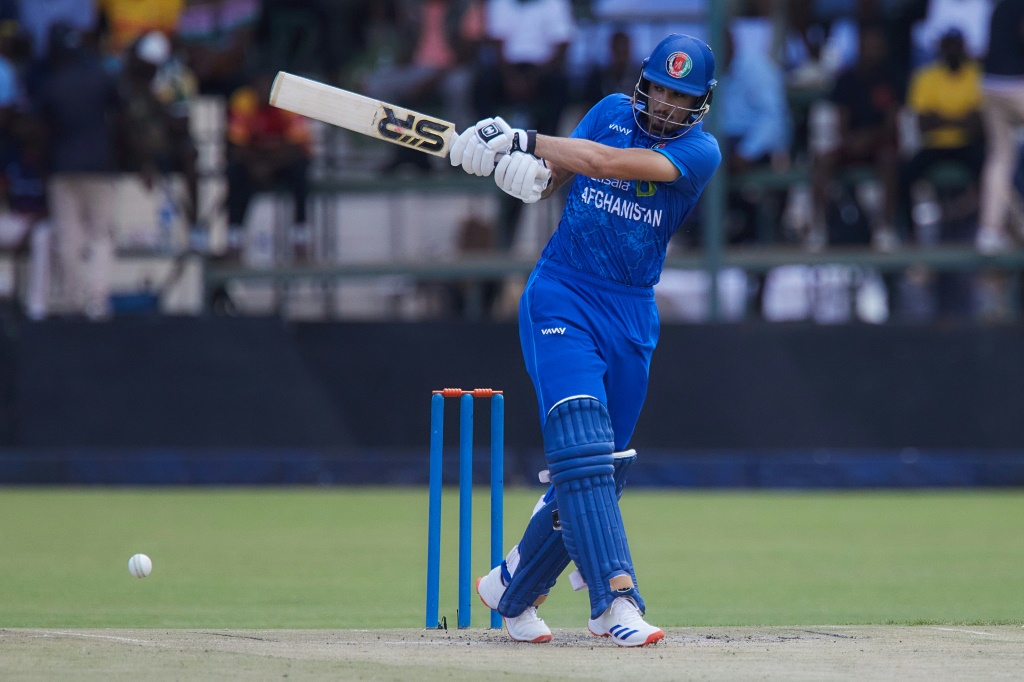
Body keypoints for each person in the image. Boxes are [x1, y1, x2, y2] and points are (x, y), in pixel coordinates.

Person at [449, 34, 720, 646]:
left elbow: (604, 164)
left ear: (700, 104)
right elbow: (555, 177)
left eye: (683, 98)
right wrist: (520, 173)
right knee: (582, 448)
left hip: (630, 313)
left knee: (601, 472)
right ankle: (615, 600)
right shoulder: (607, 112)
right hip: (562, 293)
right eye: (661, 92)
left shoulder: (701, 152)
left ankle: (511, 590)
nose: (667, 108)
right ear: (643, 84)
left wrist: (523, 138)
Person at [975, 0, 1024, 254]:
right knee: (1002, 156)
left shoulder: (998, 6)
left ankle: (990, 232)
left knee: (1000, 157)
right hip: (1016, 84)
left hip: (990, 84)